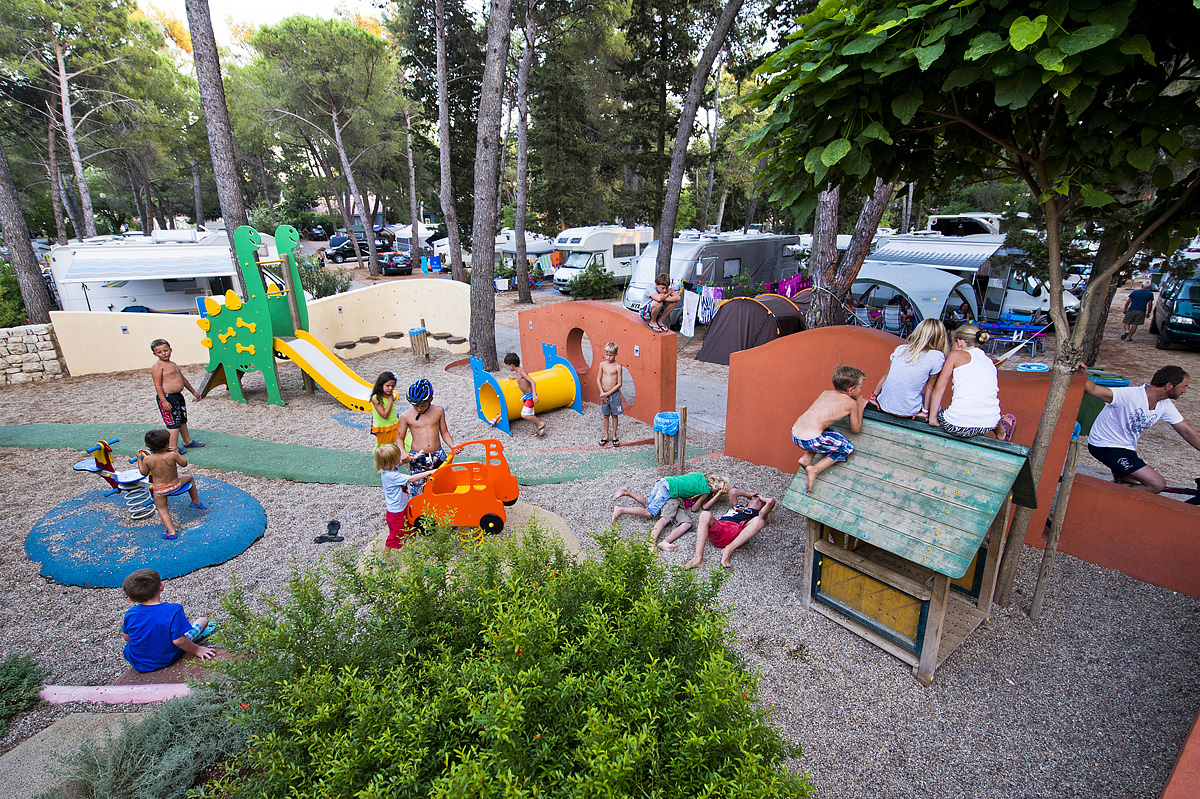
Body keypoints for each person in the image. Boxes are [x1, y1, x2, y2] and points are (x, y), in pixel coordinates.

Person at [1079, 364, 1200, 493]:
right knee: (1156, 484)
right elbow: (1093, 390)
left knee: (1129, 484)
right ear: (1169, 386)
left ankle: (1112, 498)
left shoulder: (1165, 405)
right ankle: (1099, 495)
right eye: (1183, 387)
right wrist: (1080, 374)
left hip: (1127, 448)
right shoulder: (1130, 395)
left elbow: (1187, 431)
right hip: (1105, 446)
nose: (1184, 391)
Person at [928, 324, 1017, 442]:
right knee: (988, 407)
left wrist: (932, 419)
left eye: (952, 343)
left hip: (957, 426)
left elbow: (938, 390)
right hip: (988, 425)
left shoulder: (955, 355)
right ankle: (1002, 433)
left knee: (940, 413)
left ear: (959, 342)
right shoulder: (989, 362)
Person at [791, 365, 869, 492]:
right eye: (860, 387)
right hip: (811, 441)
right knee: (846, 447)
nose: (861, 389)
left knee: (825, 430)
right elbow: (856, 429)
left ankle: (806, 458)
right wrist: (860, 407)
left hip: (795, 433)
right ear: (850, 390)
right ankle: (815, 469)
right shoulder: (851, 403)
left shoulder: (825, 393)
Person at [121, 568, 215, 672]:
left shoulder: (130, 613)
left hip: (137, 662)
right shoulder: (173, 610)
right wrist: (197, 650)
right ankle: (190, 638)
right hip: (166, 658)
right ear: (161, 586)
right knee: (203, 621)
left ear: (131, 599)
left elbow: (127, 637)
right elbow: (178, 641)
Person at [669, 488, 777, 571]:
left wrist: (762, 498)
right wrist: (749, 495)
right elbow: (734, 492)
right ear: (748, 501)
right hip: (720, 529)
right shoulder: (736, 507)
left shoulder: (756, 514)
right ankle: (698, 558)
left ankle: (728, 550)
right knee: (705, 514)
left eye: (760, 501)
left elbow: (771, 501)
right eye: (756, 498)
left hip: (735, 532)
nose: (758, 499)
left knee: (759, 521)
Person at [869, 319, 947, 420]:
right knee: (936, 403)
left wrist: (873, 397)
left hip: (884, 405)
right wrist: (925, 411)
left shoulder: (901, 349)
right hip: (908, 411)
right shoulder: (937, 356)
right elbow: (930, 387)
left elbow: (885, 375)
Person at [137, 429, 204, 540]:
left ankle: (171, 532)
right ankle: (195, 501)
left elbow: (143, 473)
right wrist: (176, 452)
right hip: (175, 485)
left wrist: (139, 459)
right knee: (190, 478)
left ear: (148, 446)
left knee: (162, 509)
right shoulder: (172, 455)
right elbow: (184, 464)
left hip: (160, 490)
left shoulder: (148, 459)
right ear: (166, 444)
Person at [396, 378, 455, 495]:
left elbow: (444, 432)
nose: (419, 409)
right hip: (418, 456)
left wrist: (452, 445)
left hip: (437, 454)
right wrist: (403, 452)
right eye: (415, 406)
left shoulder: (438, 411)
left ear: (431, 400)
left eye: (423, 405)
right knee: (418, 488)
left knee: (442, 485)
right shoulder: (406, 416)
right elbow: (399, 438)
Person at [375, 443, 437, 548]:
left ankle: (414, 549)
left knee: (411, 528)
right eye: (398, 457)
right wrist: (430, 472)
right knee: (396, 536)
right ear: (391, 461)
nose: (400, 458)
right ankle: (385, 557)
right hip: (396, 512)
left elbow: (400, 463)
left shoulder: (389, 468)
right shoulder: (391, 476)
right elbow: (412, 478)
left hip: (403, 505)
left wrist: (413, 457)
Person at [612, 472, 728, 528]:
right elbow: (697, 508)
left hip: (665, 481)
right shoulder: (705, 491)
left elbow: (685, 481)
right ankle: (621, 510)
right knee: (649, 512)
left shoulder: (699, 475)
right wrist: (718, 495)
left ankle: (626, 491)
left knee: (648, 503)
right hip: (669, 489)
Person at [150, 339, 204, 455]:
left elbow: (182, 379)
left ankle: (187, 441)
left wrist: (193, 391)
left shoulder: (172, 364)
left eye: (165, 350)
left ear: (170, 350)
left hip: (178, 396)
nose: (163, 353)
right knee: (174, 423)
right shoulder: (157, 366)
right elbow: (158, 385)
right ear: (155, 354)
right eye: (159, 352)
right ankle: (173, 448)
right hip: (168, 398)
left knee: (182, 420)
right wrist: (164, 401)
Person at [499, 352, 546, 437]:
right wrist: (513, 378)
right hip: (526, 396)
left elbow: (532, 382)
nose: (508, 367)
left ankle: (540, 423)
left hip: (530, 396)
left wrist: (534, 395)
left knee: (525, 415)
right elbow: (521, 379)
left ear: (512, 365)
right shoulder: (518, 373)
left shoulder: (521, 372)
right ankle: (540, 429)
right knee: (530, 414)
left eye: (508, 366)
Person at [596, 342, 624, 447]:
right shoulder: (602, 365)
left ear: (616, 354)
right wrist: (602, 393)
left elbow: (619, 384)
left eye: (611, 355)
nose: (608, 357)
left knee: (614, 415)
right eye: (606, 354)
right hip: (604, 393)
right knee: (605, 415)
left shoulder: (618, 367)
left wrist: (607, 393)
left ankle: (614, 435)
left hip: (614, 395)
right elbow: (598, 379)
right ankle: (606, 435)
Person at [370, 371, 400, 450]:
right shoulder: (376, 398)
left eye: (393, 386)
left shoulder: (390, 395)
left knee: (401, 443)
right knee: (385, 449)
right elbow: (384, 415)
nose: (390, 388)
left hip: (394, 425)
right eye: (388, 386)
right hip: (384, 428)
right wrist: (390, 400)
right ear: (381, 385)